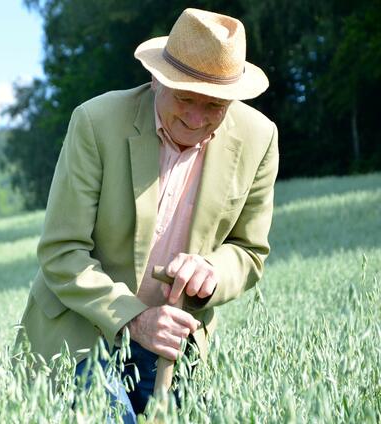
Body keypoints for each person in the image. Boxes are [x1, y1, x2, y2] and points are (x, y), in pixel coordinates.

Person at [15, 7, 279, 421]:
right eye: (185, 98)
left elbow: (248, 251)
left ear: (234, 98)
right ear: (158, 79)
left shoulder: (260, 138)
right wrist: (134, 319)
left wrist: (211, 272)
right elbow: (61, 252)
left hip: (172, 344)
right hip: (79, 333)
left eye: (214, 106)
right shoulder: (95, 122)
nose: (195, 118)